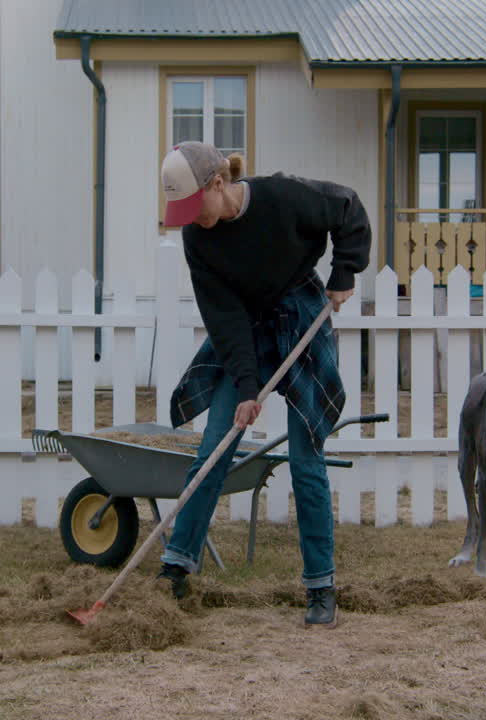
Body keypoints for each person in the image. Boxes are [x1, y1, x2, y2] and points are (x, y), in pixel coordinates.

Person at [157, 141, 371, 627]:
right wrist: (248, 387)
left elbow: (348, 208)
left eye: (196, 205)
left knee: (305, 457)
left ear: (218, 184)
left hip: (301, 318)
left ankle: (321, 586)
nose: (192, 218)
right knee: (214, 447)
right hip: (246, 332)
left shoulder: (282, 197)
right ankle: (176, 567)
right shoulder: (198, 238)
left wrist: (344, 270)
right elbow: (223, 317)